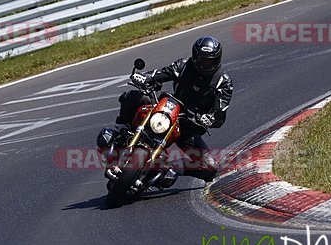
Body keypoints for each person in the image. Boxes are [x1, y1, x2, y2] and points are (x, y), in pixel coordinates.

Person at [97, 36, 233, 182]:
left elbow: (220, 115)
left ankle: (170, 167)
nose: (205, 64)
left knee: (209, 168)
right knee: (138, 96)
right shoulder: (184, 65)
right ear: (195, 56)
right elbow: (162, 73)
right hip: (169, 109)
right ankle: (119, 130)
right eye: (202, 59)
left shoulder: (223, 82)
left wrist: (210, 118)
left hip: (189, 125)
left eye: (209, 60)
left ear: (217, 59)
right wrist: (145, 77)